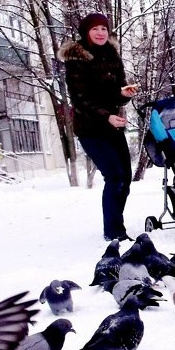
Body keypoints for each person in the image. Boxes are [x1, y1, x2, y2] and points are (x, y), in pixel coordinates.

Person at [59, 12, 138, 241]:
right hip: (91, 128)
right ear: (86, 32)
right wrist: (106, 116)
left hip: (112, 125)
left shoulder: (112, 55)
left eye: (104, 28)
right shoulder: (77, 59)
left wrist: (125, 94)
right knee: (114, 176)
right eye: (95, 29)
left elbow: (118, 92)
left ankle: (116, 226)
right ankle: (113, 233)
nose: (101, 33)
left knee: (125, 176)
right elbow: (80, 99)